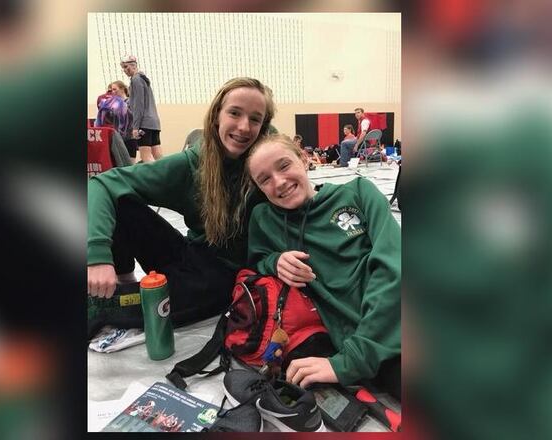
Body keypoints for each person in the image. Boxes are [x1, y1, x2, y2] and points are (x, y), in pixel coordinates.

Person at [87, 77, 275, 326]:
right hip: (188, 254)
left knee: (190, 296)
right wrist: (98, 257)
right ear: (217, 115)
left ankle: (105, 304)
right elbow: (101, 184)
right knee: (122, 200)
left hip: (224, 276)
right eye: (235, 113)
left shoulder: (268, 163)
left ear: (263, 127)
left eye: (255, 119)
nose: (243, 127)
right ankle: (119, 283)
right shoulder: (190, 164)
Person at [244, 134, 401, 397]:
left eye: (284, 166)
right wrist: (275, 262)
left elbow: (395, 269)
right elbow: (256, 261)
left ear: (304, 159)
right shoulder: (264, 220)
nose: (279, 182)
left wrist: (350, 361)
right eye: (264, 179)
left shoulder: (359, 193)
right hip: (377, 353)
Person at [120, 55, 162, 162]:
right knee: (158, 154)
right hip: (154, 122)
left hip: (144, 123)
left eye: (126, 67)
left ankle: (155, 178)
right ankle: (167, 176)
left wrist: (135, 127)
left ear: (133, 66)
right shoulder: (143, 79)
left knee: (145, 155)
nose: (125, 70)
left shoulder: (136, 79)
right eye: (123, 68)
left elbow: (138, 105)